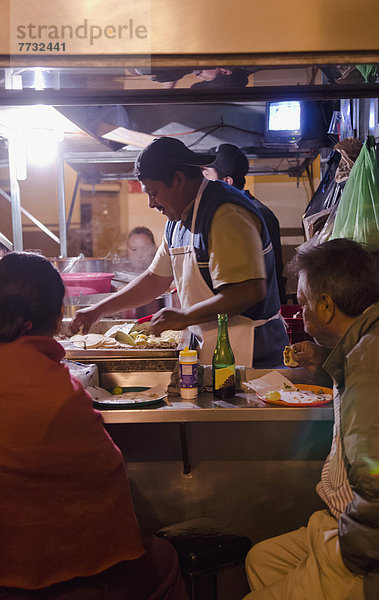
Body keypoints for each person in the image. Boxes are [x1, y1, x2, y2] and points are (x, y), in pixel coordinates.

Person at [0, 252, 188, 600]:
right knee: (164, 559)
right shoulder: (56, 389)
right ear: (57, 318)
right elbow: (106, 475)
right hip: (54, 578)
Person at [244, 239, 379, 600]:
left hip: (364, 548)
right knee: (262, 560)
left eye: (302, 303)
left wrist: (353, 551)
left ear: (327, 306)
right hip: (339, 522)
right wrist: (325, 354)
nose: (299, 313)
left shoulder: (370, 368)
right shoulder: (378, 333)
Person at [71, 137, 288, 368]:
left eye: (153, 193)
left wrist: (184, 317)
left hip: (251, 353)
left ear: (179, 179)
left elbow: (248, 290)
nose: (151, 204)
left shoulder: (225, 212)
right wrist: (98, 310)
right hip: (213, 346)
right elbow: (155, 280)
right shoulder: (177, 220)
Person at [202, 143, 288, 304]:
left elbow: (269, 275)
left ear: (227, 181)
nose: (202, 183)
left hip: (259, 314)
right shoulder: (219, 214)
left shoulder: (258, 214)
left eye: (206, 176)